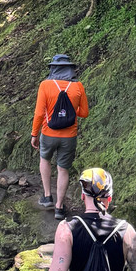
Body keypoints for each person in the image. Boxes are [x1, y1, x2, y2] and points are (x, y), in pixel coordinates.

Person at [31, 53, 89, 218]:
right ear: (70, 69)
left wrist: (34, 133)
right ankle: (59, 207)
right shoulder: (78, 86)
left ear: (53, 69)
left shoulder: (45, 85)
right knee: (63, 169)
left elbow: (39, 113)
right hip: (69, 136)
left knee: (45, 159)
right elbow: (84, 113)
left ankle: (48, 195)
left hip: (48, 133)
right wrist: (69, 111)